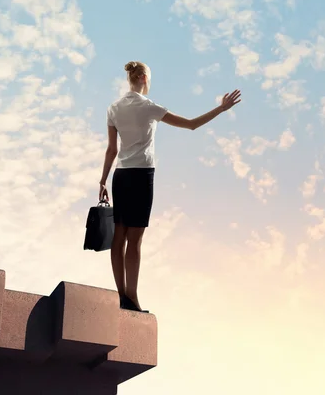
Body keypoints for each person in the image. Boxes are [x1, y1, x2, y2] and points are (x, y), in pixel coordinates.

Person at [98, 61, 241, 312]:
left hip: (120, 176)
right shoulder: (149, 107)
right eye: (149, 78)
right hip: (142, 176)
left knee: (118, 236)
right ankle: (132, 298)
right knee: (135, 240)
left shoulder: (113, 108)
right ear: (143, 77)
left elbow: (112, 149)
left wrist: (102, 181)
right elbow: (191, 124)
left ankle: (122, 296)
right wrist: (221, 109)